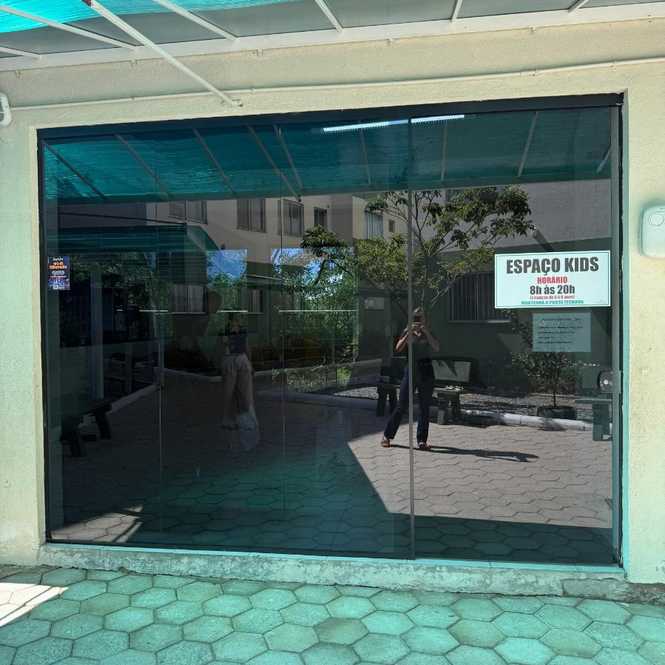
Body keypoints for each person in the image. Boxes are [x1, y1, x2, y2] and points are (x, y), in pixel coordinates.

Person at [381, 307, 440, 450]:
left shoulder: (429, 331)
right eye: (415, 317)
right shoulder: (407, 331)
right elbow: (398, 348)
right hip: (411, 370)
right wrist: (408, 333)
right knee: (402, 405)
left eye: (420, 317)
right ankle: (387, 435)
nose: (418, 320)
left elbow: (436, 347)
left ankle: (422, 440)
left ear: (424, 318)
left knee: (424, 407)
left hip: (426, 370)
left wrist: (426, 332)